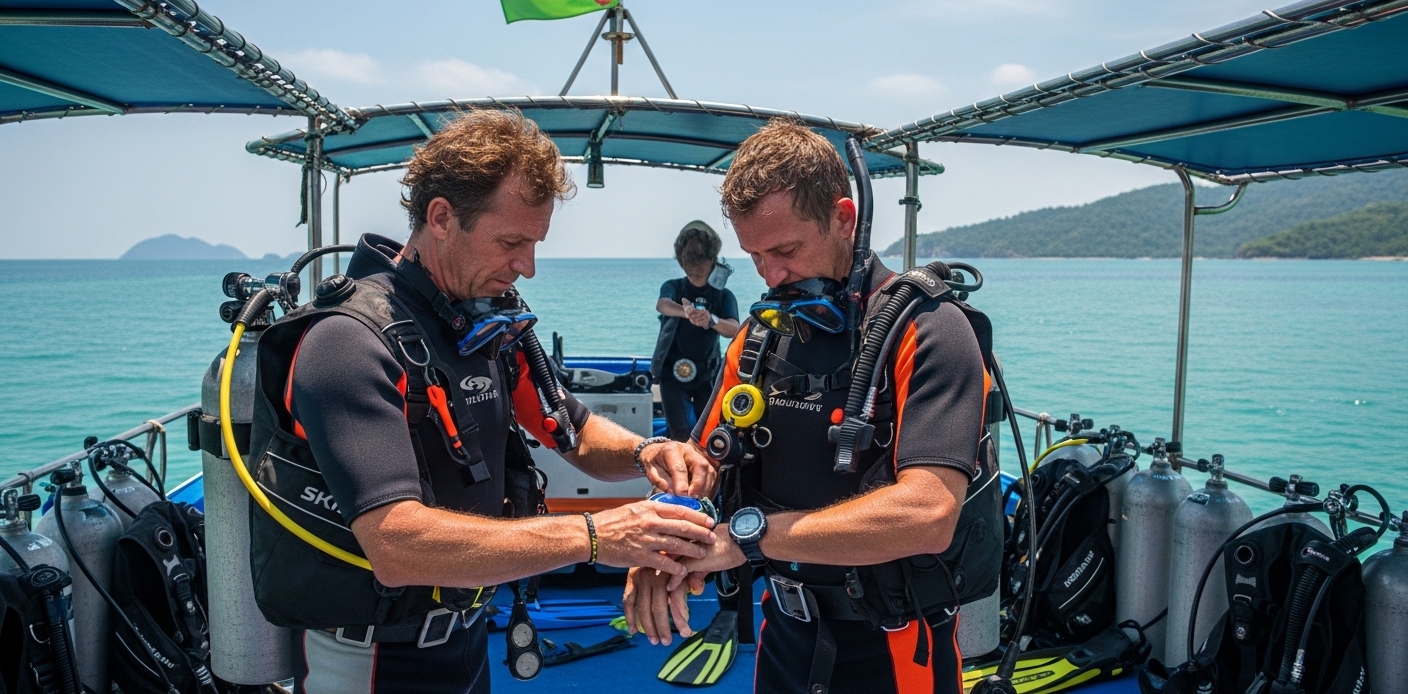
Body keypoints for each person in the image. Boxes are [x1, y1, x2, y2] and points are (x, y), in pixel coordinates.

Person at [247, 110, 718, 694]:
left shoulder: (482, 325)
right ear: (441, 217)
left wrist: (650, 450)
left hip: (467, 639)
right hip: (370, 659)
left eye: (535, 243)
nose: (528, 267)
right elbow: (395, 545)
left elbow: (572, 429)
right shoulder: (349, 341)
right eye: (513, 242)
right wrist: (599, 535)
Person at [623, 120, 999, 694]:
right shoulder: (757, 339)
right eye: (754, 256)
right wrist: (661, 540)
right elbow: (701, 465)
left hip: (895, 645)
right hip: (787, 634)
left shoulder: (928, 330)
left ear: (844, 218)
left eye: (787, 250)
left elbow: (928, 514)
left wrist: (747, 539)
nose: (772, 275)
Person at [652, 221, 741, 439]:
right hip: (672, 374)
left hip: (708, 374)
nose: (696, 270)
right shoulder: (674, 286)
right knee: (679, 432)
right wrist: (687, 312)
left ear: (712, 262)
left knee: (709, 432)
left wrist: (712, 319)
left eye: (700, 265)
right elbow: (662, 304)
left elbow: (733, 329)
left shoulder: (723, 295)